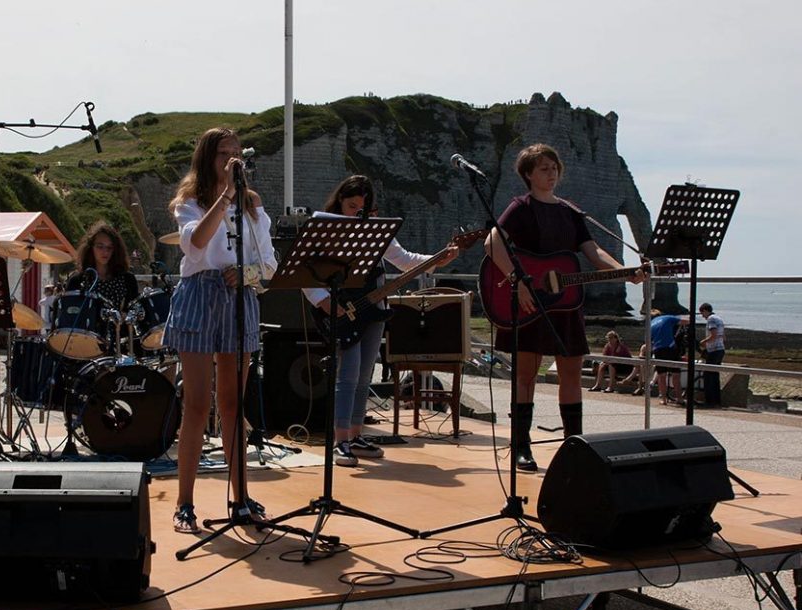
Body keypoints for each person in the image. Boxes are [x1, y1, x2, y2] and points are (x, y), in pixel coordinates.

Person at [484, 144, 643, 471]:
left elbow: (593, 252)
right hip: (530, 302)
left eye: (554, 167)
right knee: (526, 375)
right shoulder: (520, 207)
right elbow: (492, 242)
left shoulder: (570, 211)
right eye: (543, 168)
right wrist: (518, 280)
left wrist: (625, 271)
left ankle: (574, 446)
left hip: (567, 304)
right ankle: (521, 446)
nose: (551, 173)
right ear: (528, 174)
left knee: (570, 374)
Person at [164, 127, 277, 534]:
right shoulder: (189, 202)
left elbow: (269, 263)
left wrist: (247, 273)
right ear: (207, 159)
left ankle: (240, 497)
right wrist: (226, 195)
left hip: (238, 296)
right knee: (197, 404)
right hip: (199, 293)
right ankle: (185, 503)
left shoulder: (253, 204)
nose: (231, 161)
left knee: (232, 404)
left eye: (236, 153)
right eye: (222, 154)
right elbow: (195, 244)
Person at [302, 175, 458, 467]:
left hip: (373, 307)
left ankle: (355, 434)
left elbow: (404, 259)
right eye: (351, 206)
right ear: (339, 203)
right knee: (348, 374)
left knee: (365, 375)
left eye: (362, 209)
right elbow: (306, 270)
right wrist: (324, 301)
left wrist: (438, 259)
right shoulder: (327, 228)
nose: (356, 213)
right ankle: (340, 439)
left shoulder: (377, 230)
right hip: (342, 308)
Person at [60, 222, 140, 346]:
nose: (105, 252)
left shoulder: (127, 279)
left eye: (109, 248)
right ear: (90, 248)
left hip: (121, 343)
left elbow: (136, 308)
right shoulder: (78, 280)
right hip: (86, 343)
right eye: (100, 246)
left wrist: (127, 315)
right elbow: (70, 314)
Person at [650, 309, 689, 405]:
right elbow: (686, 321)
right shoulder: (668, 318)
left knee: (661, 375)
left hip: (658, 349)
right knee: (676, 374)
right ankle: (679, 398)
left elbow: (650, 340)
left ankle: (663, 399)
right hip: (670, 348)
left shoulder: (650, 324)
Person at [699, 302, 726, 406]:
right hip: (720, 349)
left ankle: (709, 400)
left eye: (702, 313)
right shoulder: (719, 318)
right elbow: (723, 336)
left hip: (714, 350)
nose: (703, 316)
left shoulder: (711, 319)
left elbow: (713, 334)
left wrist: (704, 342)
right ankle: (716, 400)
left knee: (708, 375)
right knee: (715, 375)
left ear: (706, 311)